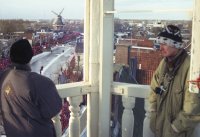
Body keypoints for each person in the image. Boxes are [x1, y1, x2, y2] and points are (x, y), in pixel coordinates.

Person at [0, 39, 62, 137]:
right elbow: (53, 109)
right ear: (30, 56)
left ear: (11, 57)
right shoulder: (41, 83)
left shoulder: (2, 77)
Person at [149, 25, 200, 137]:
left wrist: (175, 129)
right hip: (159, 130)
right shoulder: (164, 63)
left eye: (165, 44)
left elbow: (193, 108)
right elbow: (154, 88)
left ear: (176, 45)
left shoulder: (191, 69)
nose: (160, 47)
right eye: (160, 43)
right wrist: (153, 111)